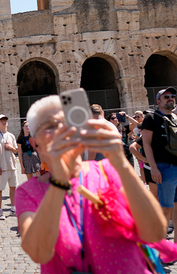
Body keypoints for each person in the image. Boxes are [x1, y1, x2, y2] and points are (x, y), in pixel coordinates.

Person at [16, 95, 166, 273]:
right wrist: (60, 181)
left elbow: (155, 231)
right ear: (36, 144)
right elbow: (38, 252)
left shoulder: (106, 172)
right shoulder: (29, 192)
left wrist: (120, 161)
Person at [141, 87, 177, 257]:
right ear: (158, 101)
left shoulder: (176, 118)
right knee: (165, 209)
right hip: (164, 167)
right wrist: (154, 167)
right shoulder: (151, 117)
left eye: (173, 96)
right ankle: (162, 247)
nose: (171, 99)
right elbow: (146, 144)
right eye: (166, 97)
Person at [0, 114, 18, 220]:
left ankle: (12, 208)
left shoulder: (11, 136)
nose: (4, 122)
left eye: (5, 120)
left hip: (12, 166)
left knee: (13, 187)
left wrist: (10, 147)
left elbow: (16, 150)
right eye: (1, 120)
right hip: (2, 166)